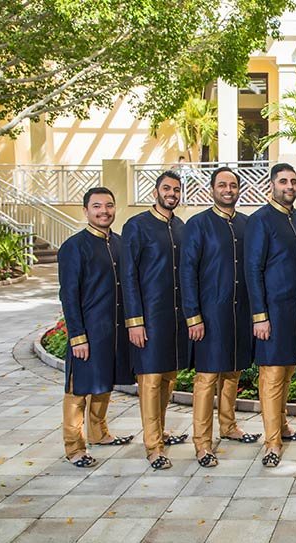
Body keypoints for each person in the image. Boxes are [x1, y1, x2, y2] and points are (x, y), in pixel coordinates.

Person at [180, 166, 257, 468]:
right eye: (222, 185)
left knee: (233, 372)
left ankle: (229, 425)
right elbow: (187, 272)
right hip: (209, 314)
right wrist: (193, 316)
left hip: (240, 313)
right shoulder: (197, 225)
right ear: (212, 189)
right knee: (207, 377)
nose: (228, 190)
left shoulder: (247, 225)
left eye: (233, 185)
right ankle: (201, 443)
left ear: (239, 190)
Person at [57, 187, 133, 468]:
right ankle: (74, 447)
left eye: (109, 206)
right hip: (87, 332)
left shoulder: (120, 243)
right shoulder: (74, 247)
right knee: (78, 391)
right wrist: (77, 336)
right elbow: (69, 295)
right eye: (97, 206)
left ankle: (99, 434)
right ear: (86, 210)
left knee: (104, 385)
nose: (104, 211)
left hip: (112, 332)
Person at [245, 163, 296, 468]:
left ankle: (283, 427)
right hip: (271, 312)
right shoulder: (260, 220)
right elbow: (253, 269)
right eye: (283, 181)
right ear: (271, 185)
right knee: (271, 376)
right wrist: (259, 314)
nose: (289, 186)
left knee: (287, 373)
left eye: (293, 181)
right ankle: (271, 442)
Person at [120, 171, 190, 470]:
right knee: (149, 380)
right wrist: (134, 320)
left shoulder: (181, 227)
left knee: (168, 377)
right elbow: (129, 276)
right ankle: (153, 447)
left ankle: (159, 430)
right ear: (156, 191)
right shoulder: (136, 226)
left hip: (174, 317)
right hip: (148, 316)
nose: (171, 194)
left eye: (175, 189)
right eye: (166, 189)